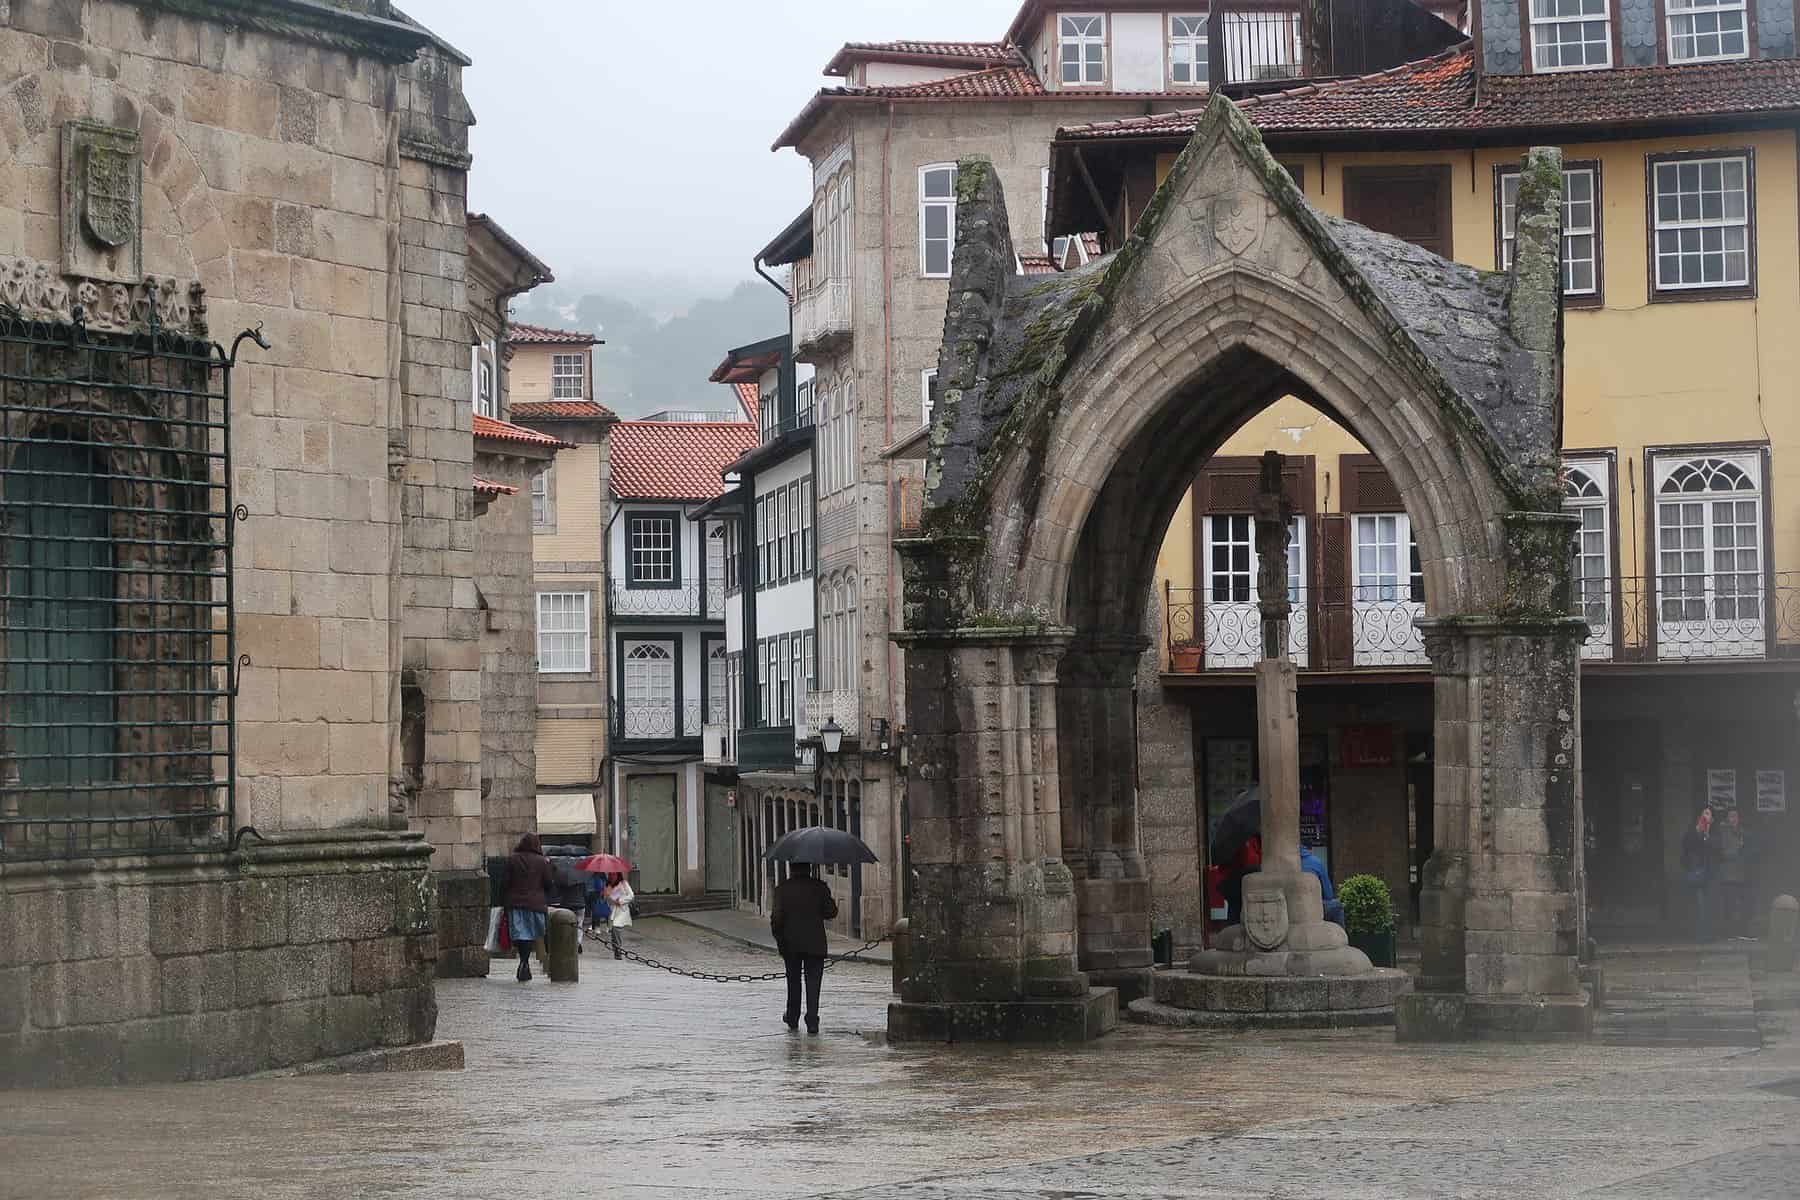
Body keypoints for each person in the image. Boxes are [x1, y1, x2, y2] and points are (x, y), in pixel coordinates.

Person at [770, 863, 838, 1034]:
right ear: (809, 869)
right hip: (815, 943)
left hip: (790, 944)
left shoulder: (782, 889)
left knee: (793, 981)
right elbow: (831, 912)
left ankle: (793, 1016)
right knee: (814, 983)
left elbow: (777, 918)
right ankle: (812, 1020)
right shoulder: (819, 887)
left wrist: (779, 938)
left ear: (791, 869)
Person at [502, 833, 556, 982]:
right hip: (535, 904)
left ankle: (523, 962)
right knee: (531, 934)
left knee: (521, 934)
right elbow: (548, 884)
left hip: (516, 904)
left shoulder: (512, 859)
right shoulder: (542, 862)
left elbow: (505, 882)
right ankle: (524, 963)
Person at [1680, 806, 1716, 944]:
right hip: (1698, 874)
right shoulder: (1692, 833)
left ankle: (1708, 934)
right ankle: (1700, 936)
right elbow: (1686, 847)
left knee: (1710, 906)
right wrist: (1698, 831)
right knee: (1700, 905)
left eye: (1708, 814)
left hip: (1711, 875)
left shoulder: (1714, 833)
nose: (1705, 817)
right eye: (1703, 814)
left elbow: (1716, 849)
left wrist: (1707, 834)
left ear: (1712, 819)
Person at [1717, 807, 1751, 938]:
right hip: (1728, 876)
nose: (1733, 819)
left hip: (1742, 875)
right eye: (1731, 816)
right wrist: (1738, 852)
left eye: (1735, 816)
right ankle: (1729, 933)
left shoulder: (1742, 832)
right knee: (1729, 905)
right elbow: (1723, 852)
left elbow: (1747, 850)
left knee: (1743, 904)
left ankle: (1742, 932)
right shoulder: (1723, 832)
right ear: (1727, 818)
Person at [1299, 847, 1344, 927]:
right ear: (1310, 849)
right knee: (1337, 905)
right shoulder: (1316, 862)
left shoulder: (1282, 864)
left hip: (1288, 909)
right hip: (1312, 908)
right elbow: (1328, 895)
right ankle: (1339, 936)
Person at [603, 872, 634, 960]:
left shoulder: (624, 883)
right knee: (613, 931)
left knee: (616, 928)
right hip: (612, 911)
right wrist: (606, 895)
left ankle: (618, 951)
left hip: (622, 911)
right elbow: (606, 900)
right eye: (610, 875)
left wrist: (620, 900)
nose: (612, 876)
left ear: (618, 875)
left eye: (614, 875)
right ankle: (616, 950)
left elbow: (631, 895)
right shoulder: (607, 886)